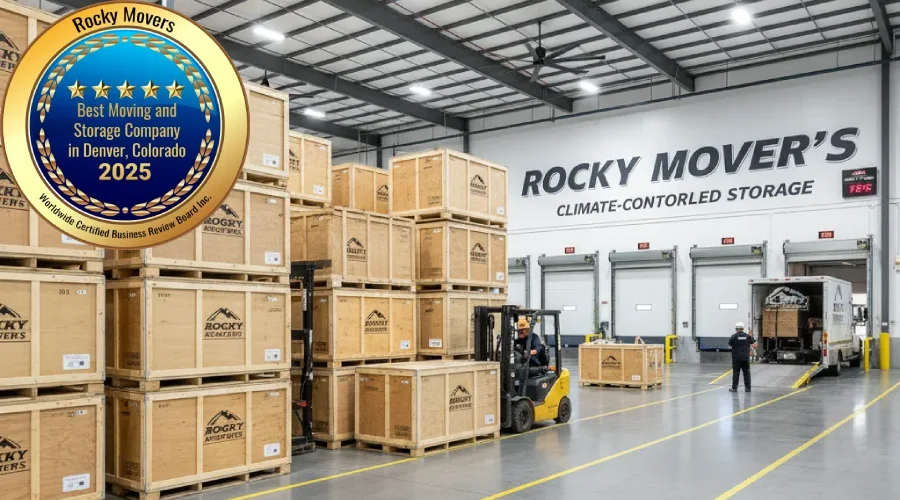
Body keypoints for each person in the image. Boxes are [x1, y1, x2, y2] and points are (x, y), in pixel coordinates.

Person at [728, 321, 757, 392]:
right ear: (743, 328)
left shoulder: (734, 336)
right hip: (745, 358)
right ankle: (748, 388)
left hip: (736, 358)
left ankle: (734, 388)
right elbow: (753, 341)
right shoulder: (747, 336)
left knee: (736, 373)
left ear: (736, 328)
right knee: (746, 373)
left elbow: (730, 344)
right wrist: (750, 335)